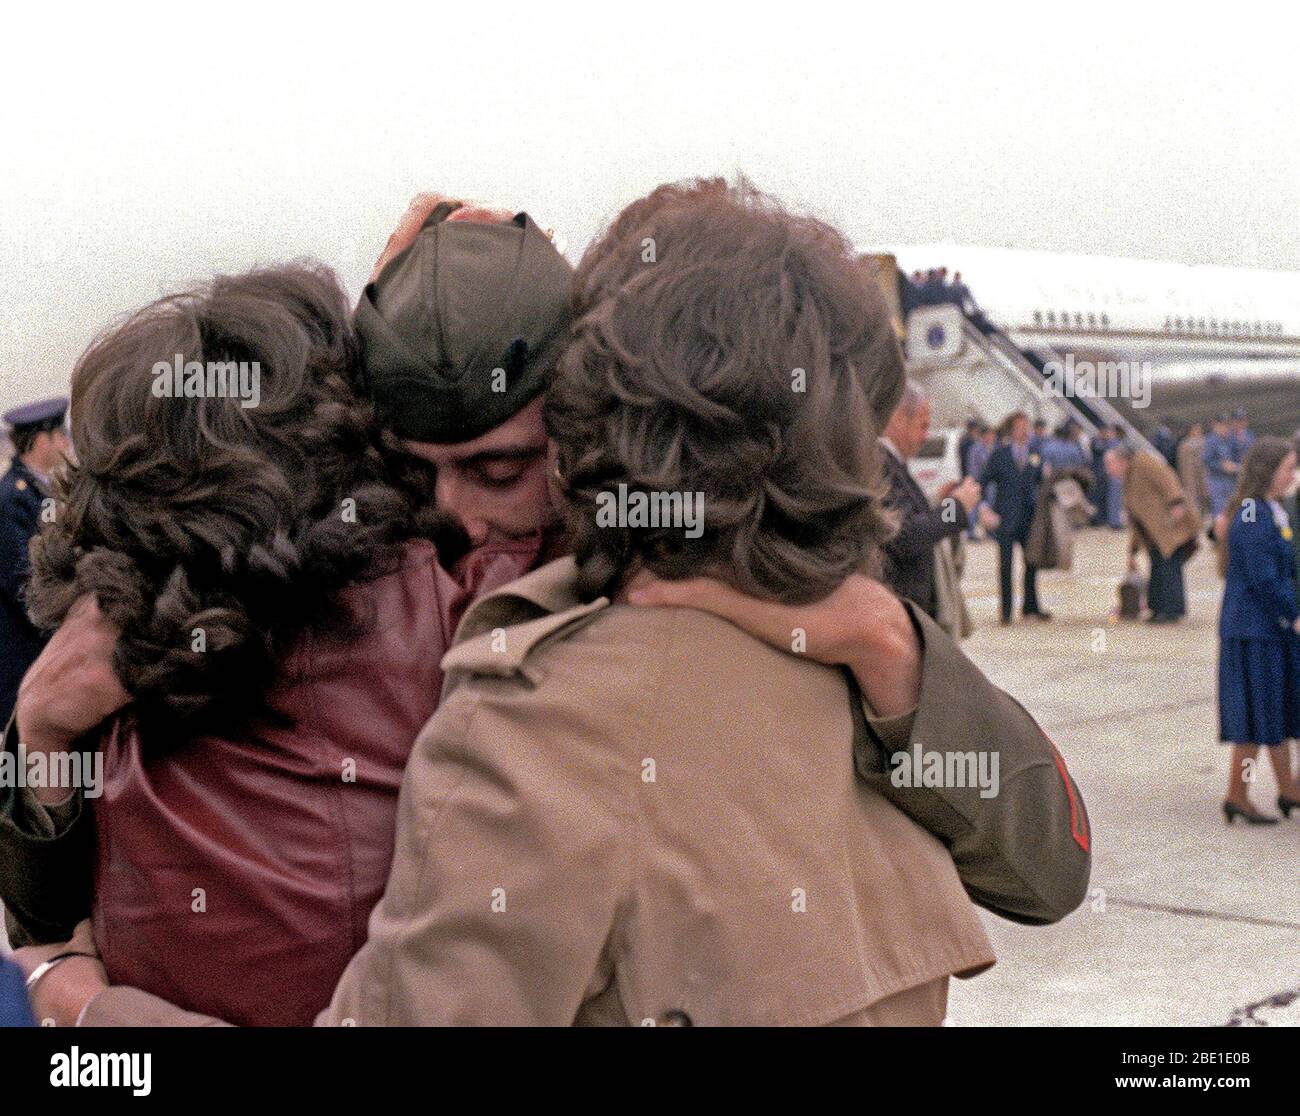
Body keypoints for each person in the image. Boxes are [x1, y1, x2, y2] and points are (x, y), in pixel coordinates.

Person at [18, 179, 1091, 1027]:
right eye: (416, 471)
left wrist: (884, 638)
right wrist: (39, 737)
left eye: (499, 468)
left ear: (589, 417)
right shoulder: (315, 583)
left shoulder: (732, 585)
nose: (459, 515)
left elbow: (1048, 861)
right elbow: (59, 882)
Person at [1216, 437, 1300, 825]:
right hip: (1254, 631)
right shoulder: (1251, 512)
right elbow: (1261, 575)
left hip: (1267, 629)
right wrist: (1292, 613)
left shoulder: (1269, 509)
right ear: (1269, 471)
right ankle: (1248, 792)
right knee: (1258, 714)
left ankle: (1273, 791)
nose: (1292, 475)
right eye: (1287, 468)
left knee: (1266, 714)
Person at [879, 383, 980, 618]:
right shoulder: (881, 464)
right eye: (923, 426)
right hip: (903, 608)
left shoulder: (891, 463)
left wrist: (936, 499)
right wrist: (956, 508)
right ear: (898, 419)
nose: (926, 436)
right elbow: (903, 535)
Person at [0, 397, 69, 728]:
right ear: (43, 439)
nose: (66, 443)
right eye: (62, 435)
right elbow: (24, 583)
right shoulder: (12, 499)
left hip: (42, 651)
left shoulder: (41, 490)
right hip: (25, 658)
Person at [1104, 444, 1200, 623]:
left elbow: (1167, 477)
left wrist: (1176, 501)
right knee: (1157, 567)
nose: (1109, 470)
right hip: (1154, 532)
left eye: (1111, 464)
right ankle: (1157, 608)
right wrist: (1132, 550)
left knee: (1169, 567)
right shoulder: (1129, 477)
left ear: (1122, 460)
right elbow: (1135, 518)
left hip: (1170, 525)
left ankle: (1171, 611)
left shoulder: (1143, 461)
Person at [981, 412, 1050, 624]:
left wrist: (1046, 475)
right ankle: (1006, 611)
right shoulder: (999, 454)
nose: (1025, 431)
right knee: (1005, 565)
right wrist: (985, 509)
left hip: (1029, 518)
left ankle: (1031, 607)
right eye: (1020, 427)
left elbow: (1040, 481)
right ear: (1012, 430)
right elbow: (983, 481)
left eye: (1026, 427)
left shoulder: (1035, 454)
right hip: (1005, 518)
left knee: (1031, 563)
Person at [1203, 413, 1238, 520]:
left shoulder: (1231, 439)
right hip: (1217, 481)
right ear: (1215, 426)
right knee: (1220, 511)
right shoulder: (1210, 441)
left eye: (1226, 425)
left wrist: (1235, 466)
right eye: (1222, 425)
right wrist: (1221, 466)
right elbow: (1206, 460)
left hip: (1232, 479)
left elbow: (1236, 455)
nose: (1225, 428)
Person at [1176, 421, 1210, 519]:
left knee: (1205, 498)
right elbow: (1185, 466)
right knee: (1193, 498)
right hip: (1191, 477)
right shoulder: (1185, 445)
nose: (1198, 431)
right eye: (1196, 429)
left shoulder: (1204, 441)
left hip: (1203, 475)